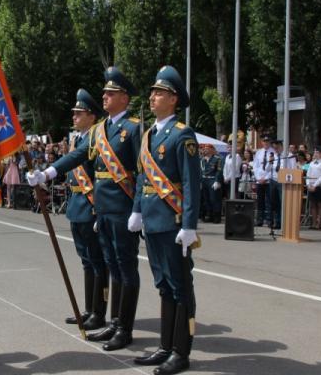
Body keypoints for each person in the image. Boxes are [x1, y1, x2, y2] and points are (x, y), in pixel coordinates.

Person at [28, 66, 141, 351]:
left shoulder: (134, 129)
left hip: (123, 209)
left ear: (124, 98)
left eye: (111, 93)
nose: (104, 96)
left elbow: (144, 172)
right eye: (104, 92)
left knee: (126, 271)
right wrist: (48, 173)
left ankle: (124, 328)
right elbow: (77, 155)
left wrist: (139, 210)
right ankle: (114, 322)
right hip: (103, 208)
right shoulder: (101, 130)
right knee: (113, 268)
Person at [128, 65, 201, 375]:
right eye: (153, 92)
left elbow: (191, 182)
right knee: (164, 286)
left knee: (180, 287)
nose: (152, 97)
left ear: (173, 99)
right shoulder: (149, 136)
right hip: (153, 224)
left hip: (173, 225)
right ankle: (165, 346)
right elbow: (143, 178)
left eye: (159, 93)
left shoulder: (182, 135)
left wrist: (189, 225)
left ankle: (181, 353)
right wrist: (137, 209)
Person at [61, 89, 108, 331]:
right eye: (74, 113)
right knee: (86, 261)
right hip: (76, 206)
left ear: (91, 116)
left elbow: (100, 178)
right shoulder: (77, 140)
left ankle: (98, 312)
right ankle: (89, 309)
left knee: (97, 261)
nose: (75, 117)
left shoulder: (96, 140)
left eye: (79, 114)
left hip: (90, 206)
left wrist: (98, 208)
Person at [253, 135, 275, 226]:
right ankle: (259, 220)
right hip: (259, 180)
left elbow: (273, 168)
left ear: (270, 142)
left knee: (269, 201)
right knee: (260, 201)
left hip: (269, 180)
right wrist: (258, 178)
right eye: (264, 141)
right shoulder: (259, 152)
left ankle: (269, 220)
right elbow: (255, 166)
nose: (265, 143)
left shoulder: (273, 152)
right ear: (262, 142)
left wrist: (265, 178)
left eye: (267, 141)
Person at [200, 145, 223, 223]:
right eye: (204, 149)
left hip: (212, 180)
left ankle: (217, 216)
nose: (205, 150)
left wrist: (217, 181)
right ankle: (210, 215)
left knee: (214, 199)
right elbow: (200, 171)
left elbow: (219, 171)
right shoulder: (202, 160)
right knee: (206, 199)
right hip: (204, 180)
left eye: (207, 149)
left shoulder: (217, 159)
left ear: (212, 150)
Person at [306, 147, 321, 229]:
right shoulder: (311, 163)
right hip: (311, 186)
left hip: (319, 186)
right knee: (313, 205)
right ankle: (313, 223)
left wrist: (315, 185)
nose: (315, 154)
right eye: (314, 152)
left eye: (317, 152)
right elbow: (308, 175)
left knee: (320, 204)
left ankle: (319, 223)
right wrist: (308, 184)